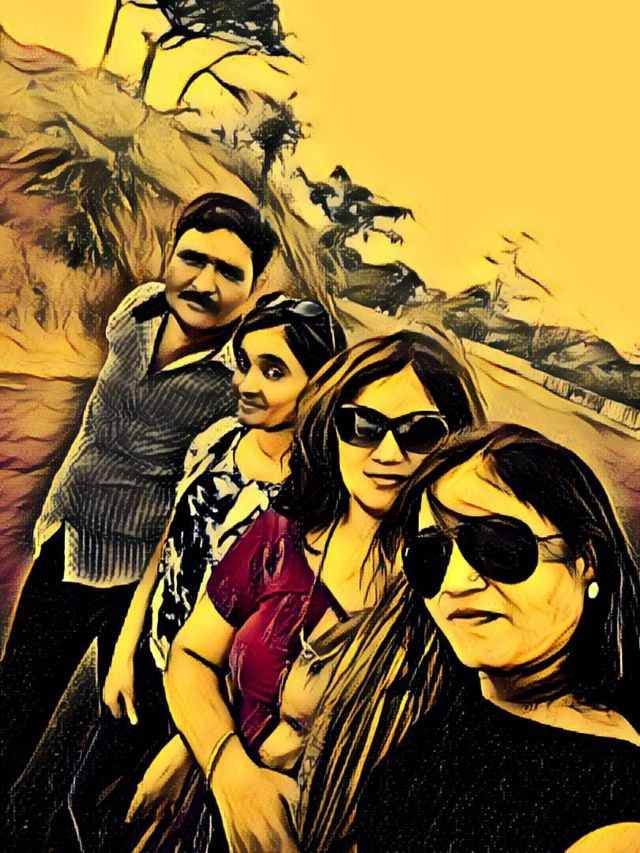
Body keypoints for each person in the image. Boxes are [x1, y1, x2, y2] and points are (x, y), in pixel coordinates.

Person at [0, 193, 277, 816]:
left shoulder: (246, 379)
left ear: (255, 286)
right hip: (71, 544)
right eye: (193, 259)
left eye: (228, 271)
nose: (204, 283)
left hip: (151, 585)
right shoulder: (136, 311)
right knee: (13, 711)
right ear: (169, 255)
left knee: (118, 754)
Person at [162, 329, 486, 851]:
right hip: (213, 819)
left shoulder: (458, 583)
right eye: (363, 426)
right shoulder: (280, 535)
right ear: (331, 428)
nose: (388, 452)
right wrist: (226, 771)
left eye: (420, 432)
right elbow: (193, 655)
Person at [67, 293, 346, 852]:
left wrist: (194, 745)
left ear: (320, 385)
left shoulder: (315, 497)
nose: (247, 383)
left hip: (219, 700)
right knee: (87, 801)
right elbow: (169, 544)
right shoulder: (218, 440)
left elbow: (275, 636)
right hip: (151, 666)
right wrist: (125, 651)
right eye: (244, 363)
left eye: (273, 371)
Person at [299, 425, 640, 852]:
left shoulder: (615, 805)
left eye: (497, 545)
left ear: (586, 560)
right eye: (430, 556)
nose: (455, 583)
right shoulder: (431, 690)